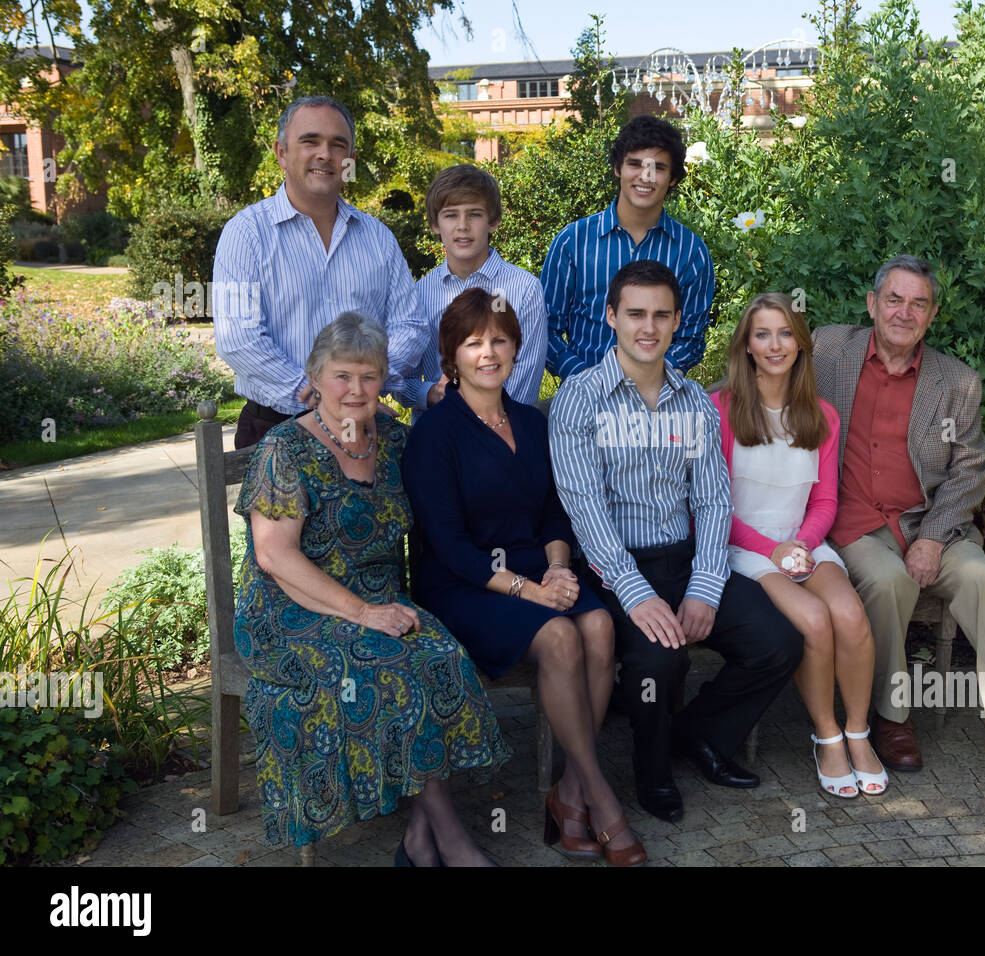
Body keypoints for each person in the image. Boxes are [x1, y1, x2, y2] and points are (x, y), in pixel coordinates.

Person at [233, 312, 511, 866]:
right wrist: (361, 612)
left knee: (440, 656)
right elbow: (274, 555)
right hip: (289, 611)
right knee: (390, 671)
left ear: (384, 379)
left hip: (384, 600)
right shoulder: (283, 449)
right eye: (342, 376)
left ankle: (417, 842)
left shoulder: (397, 443)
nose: (356, 389)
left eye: (368, 375)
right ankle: (452, 842)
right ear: (314, 378)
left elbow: (455, 498)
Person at [549, 260, 803, 823]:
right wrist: (638, 595)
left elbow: (713, 501)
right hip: (611, 569)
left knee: (777, 641)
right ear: (611, 316)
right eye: (635, 313)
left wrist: (706, 588)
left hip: (687, 560)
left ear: (677, 321)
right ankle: (652, 770)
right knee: (660, 660)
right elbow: (584, 507)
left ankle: (700, 734)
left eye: (661, 314)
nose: (648, 326)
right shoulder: (579, 399)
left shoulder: (693, 402)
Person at [402, 288, 646, 866]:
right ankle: (600, 797)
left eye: (500, 340)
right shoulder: (434, 436)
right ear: (452, 354)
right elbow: (450, 546)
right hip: (464, 584)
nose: (489, 353)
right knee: (560, 635)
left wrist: (558, 568)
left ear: (516, 347)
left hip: (542, 567)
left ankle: (567, 795)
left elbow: (553, 514)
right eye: (474, 342)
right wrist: (531, 591)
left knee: (599, 629)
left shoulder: (533, 424)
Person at [812, 254, 985, 801]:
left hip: (931, 525)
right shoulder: (829, 349)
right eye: (894, 299)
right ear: (873, 303)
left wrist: (931, 536)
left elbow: (970, 469)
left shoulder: (957, 381)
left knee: (983, 582)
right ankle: (890, 715)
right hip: (855, 523)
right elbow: (762, 371)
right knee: (886, 580)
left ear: (933, 314)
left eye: (918, 303)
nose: (904, 312)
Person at [711, 293, 887, 799]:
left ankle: (858, 734)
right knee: (812, 619)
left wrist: (802, 545)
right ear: (746, 344)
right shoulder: (719, 408)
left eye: (786, 333)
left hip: (803, 544)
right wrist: (773, 552)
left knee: (850, 615)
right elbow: (713, 506)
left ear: (800, 344)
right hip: (741, 549)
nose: (774, 344)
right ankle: (826, 735)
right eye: (762, 333)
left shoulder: (821, 416)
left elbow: (826, 499)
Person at [214, 95, 429, 448]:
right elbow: (239, 338)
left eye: (337, 144)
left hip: (365, 427)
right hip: (276, 431)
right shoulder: (246, 233)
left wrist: (362, 388)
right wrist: (320, 398)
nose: (325, 154)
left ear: (350, 161)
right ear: (281, 152)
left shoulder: (378, 238)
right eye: (310, 141)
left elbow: (411, 326)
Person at [541, 115, 715, 380]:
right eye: (635, 164)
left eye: (657, 167)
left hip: (656, 400)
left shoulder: (692, 252)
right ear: (617, 168)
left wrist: (644, 380)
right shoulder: (572, 242)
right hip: (584, 400)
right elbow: (545, 330)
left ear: (673, 178)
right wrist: (586, 378)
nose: (645, 176)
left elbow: (690, 339)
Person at [396, 164, 547, 413]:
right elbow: (402, 379)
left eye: (475, 214)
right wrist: (430, 394)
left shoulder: (524, 289)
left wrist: (480, 422)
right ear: (435, 224)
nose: (463, 226)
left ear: (493, 221)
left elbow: (525, 379)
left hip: (503, 434)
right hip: (438, 433)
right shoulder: (419, 294)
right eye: (451, 215)